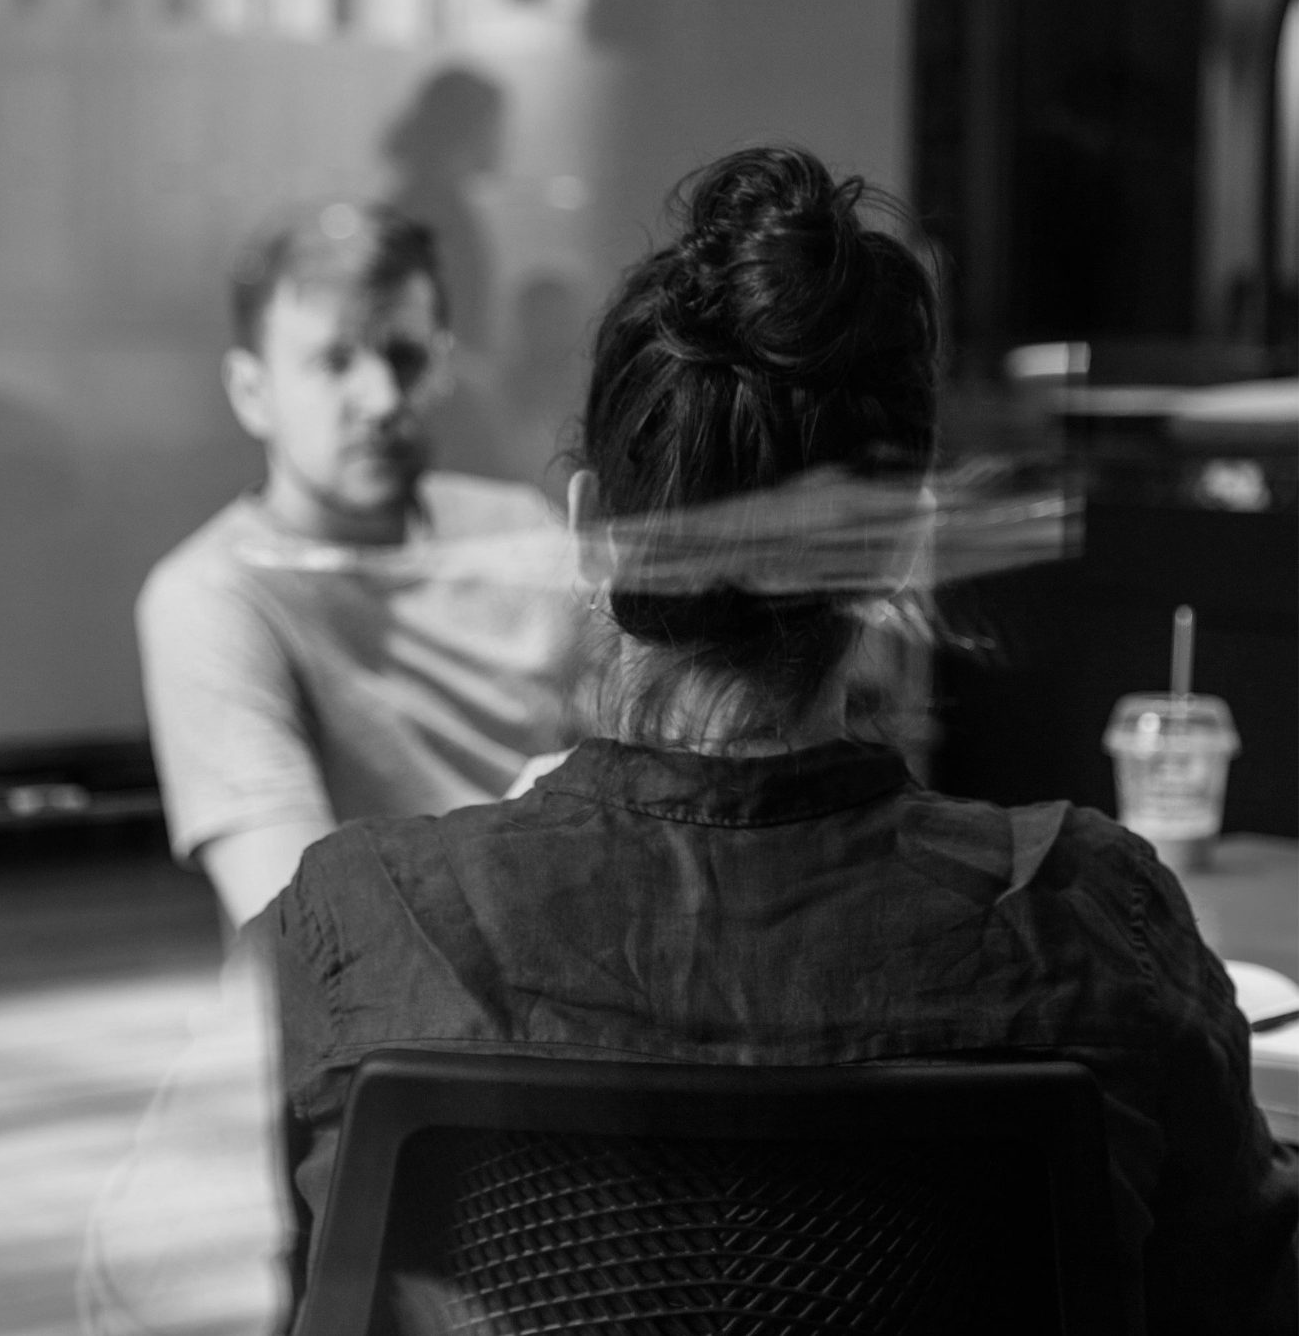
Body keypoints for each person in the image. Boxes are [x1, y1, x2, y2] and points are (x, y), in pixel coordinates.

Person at [261, 148, 1297, 1331]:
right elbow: (1245, 1297)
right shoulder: (1090, 923)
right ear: (901, 544)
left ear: (591, 528)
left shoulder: (358, 925)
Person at [137, 200, 585, 929]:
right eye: (333, 361)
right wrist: (533, 832)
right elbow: (301, 927)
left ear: (442, 364)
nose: (379, 399)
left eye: (404, 357)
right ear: (252, 392)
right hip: (392, 1000)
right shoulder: (213, 596)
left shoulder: (520, 529)